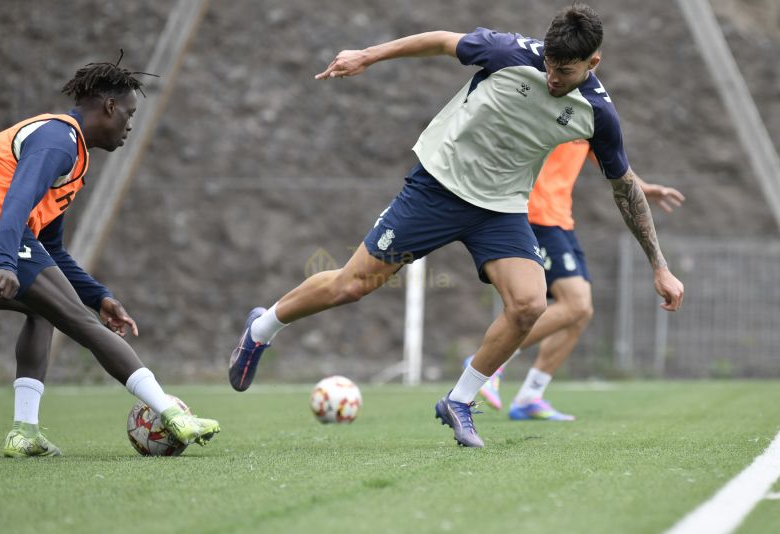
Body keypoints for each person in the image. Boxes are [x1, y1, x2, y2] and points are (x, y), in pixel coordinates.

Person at [228, 4, 683, 448]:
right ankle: (261, 329)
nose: (551, 77)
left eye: (564, 71)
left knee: (529, 304)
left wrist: (659, 266)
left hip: (500, 210)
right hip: (436, 189)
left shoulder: (597, 113)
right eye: (548, 64)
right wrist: (367, 55)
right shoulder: (507, 52)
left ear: (592, 63)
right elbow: (443, 41)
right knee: (351, 285)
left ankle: (459, 400)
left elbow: (624, 187)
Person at [0, 55, 220, 457]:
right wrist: (4, 262)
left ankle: (24, 432)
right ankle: (172, 414)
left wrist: (99, 296)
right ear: (109, 106)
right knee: (81, 323)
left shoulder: (73, 157)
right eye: (129, 113)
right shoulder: (58, 139)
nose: (130, 125)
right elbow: (16, 202)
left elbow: (51, 249)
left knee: (46, 312)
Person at [464, 140, 685, 421]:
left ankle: (530, 396)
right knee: (575, 304)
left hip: (561, 221)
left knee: (581, 312)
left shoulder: (592, 122)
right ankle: (489, 361)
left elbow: (614, 162)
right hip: (534, 216)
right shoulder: (551, 113)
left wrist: (644, 187)